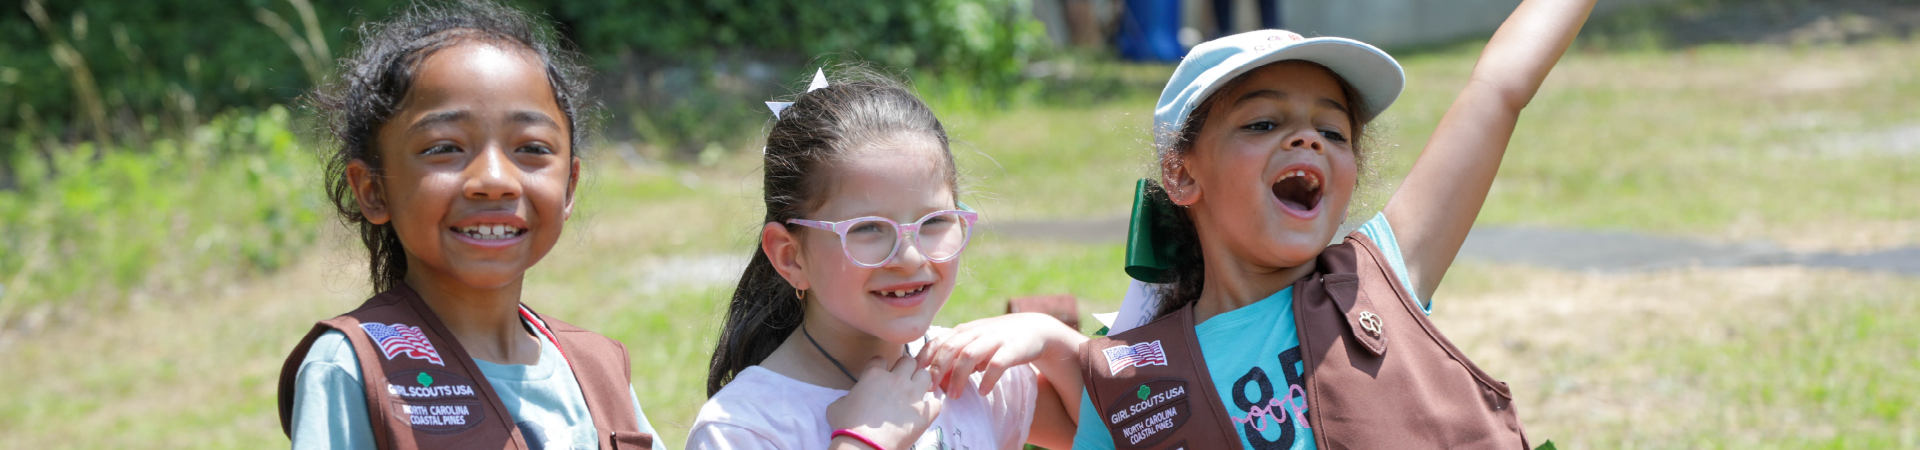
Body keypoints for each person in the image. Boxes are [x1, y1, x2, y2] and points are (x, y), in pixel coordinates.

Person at [1075, 0, 1597, 448]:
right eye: (1263, 122)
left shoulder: (1381, 273)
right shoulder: (1126, 383)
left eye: (1333, 130)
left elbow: (1499, 87)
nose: (1309, 139)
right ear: (1182, 175)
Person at [276, 1, 662, 448]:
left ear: (570, 185)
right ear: (372, 189)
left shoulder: (600, 370)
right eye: (444, 148)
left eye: (532, 148)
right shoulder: (352, 368)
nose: (494, 181)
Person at [688, 66, 1087, 450]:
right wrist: (864, 442)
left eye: (934, 221)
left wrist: (1052, 340)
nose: (910, 257)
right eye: (867, 228)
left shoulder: (968, 375)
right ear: (790, 257)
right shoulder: (743, 428)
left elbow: (1127, 432)